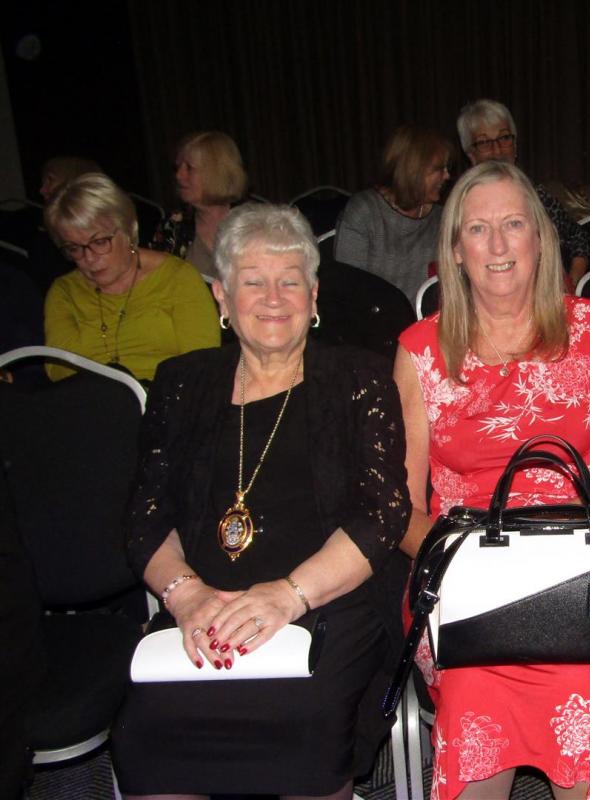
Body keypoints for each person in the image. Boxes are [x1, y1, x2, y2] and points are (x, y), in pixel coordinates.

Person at [111, 203, 411, 798]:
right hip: (203, 604)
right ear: (222, 295)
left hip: (327, 602)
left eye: (289, 281)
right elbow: (145, 516)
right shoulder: (181, 383)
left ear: (314, 293)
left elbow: (384, 513)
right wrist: (186, 594)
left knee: (310, 717)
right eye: (253, 281)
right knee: (146, 729)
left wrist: (287, 595)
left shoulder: (360, 379)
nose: (273, 298)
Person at [394, 160, 590, 799]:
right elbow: (396, 505)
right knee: (473, 694)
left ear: (540, 239)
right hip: (465, 579)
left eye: (514, 225)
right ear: (455, 249)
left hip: (574, 573)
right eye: (478, 229)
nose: (499, 246)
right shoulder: (420, 349)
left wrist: (550, 547)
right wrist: (466, 564)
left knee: (583, 686)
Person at [43, 173, 219, 382]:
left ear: (128, 229)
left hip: (163, 400)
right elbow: (57, 370)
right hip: (88, 403)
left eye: (99, 242)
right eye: (74, 248)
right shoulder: (65, 291)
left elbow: (202, 367)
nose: (89, 258)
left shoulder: (177, 278)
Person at [457, 98, 590, 286]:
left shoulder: (539, 198)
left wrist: (573, 281)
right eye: (484, 142)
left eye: (504, 138)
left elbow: (577, 236)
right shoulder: (462, 208)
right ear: (471, 155)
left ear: (515, 145)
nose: (497, 149)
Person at [335, 124, 453, 306]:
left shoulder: (442, 218)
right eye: (439, 169)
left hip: (425, 328)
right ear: (414, 170)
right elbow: (347, 290)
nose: (447, 176)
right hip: (373, 325)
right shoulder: (365, 213)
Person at [151, 130, 249, 279]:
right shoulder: (174, 225)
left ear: (217, 172)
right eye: (178, 167)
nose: (179, 175)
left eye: (189, 168)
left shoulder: (254, 222)